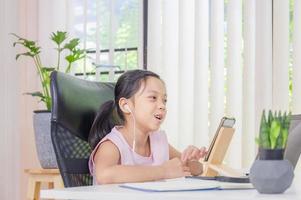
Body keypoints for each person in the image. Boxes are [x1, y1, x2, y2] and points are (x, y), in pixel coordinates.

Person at [88, 69, 207, 184]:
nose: (162, 106)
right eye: (153, 98)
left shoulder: (159, 142)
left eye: (164, 100)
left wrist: (191, 160)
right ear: (125, 106)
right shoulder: (112, 145)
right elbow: (104, 175)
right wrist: (163, 171)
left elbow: (197, 170)